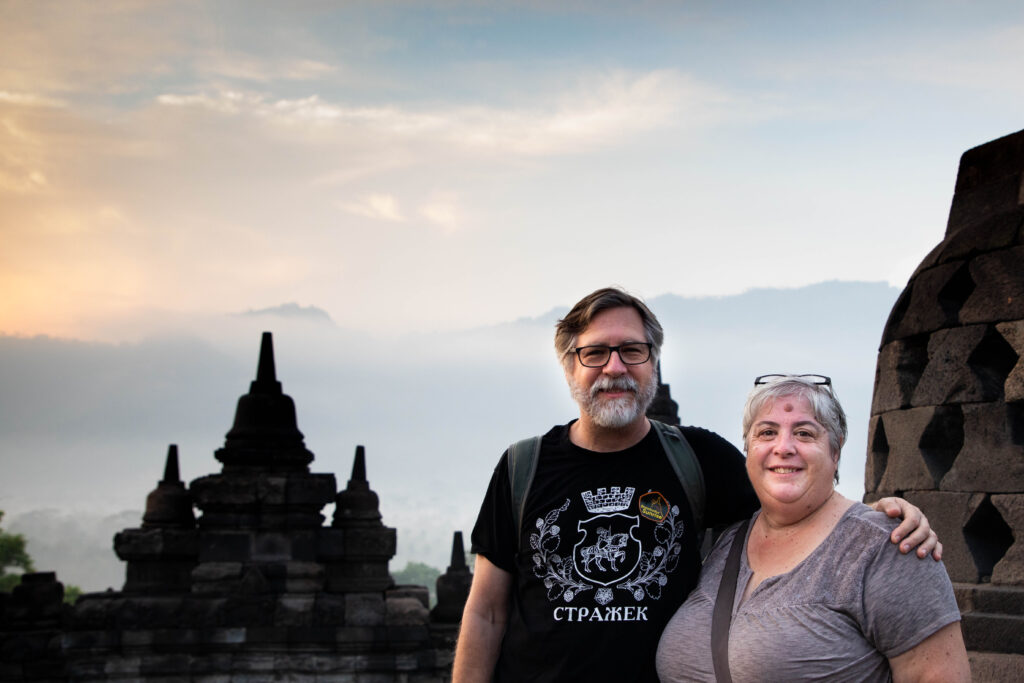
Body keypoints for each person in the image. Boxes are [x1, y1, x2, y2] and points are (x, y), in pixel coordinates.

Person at [453, 288, 941, 683]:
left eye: (632, 351)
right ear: (569, 366)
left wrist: (880, 515)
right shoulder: (523, 467)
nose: (615, 367)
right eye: (595, 353)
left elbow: (792, 503)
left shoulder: (698, 458)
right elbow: (486, 614)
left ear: (653, 363)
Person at [656, 374, 969, 682]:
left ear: (835, 450)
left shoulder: (886, 549)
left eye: (804, 433)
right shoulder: (725, 543)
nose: (784, 447)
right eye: (766, 433)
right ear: (748, 450)